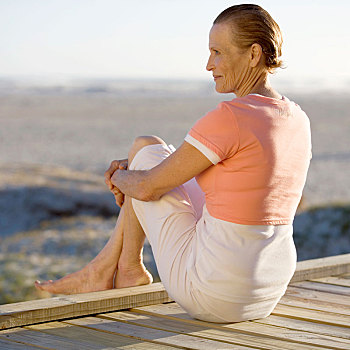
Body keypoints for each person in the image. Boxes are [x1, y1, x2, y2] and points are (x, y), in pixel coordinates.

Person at [35, 4, 312, 323]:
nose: (209, 65)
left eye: (218, 52)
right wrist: (136, 173)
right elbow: (238, 184)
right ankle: (120, 270)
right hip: (266, 293)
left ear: (253, 54)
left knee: (144, 147)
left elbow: (147, 187)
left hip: (213, 292)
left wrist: (121, 176)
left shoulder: (231, 117)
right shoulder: (297, 118)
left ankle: (116, 270)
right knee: (148, 154)